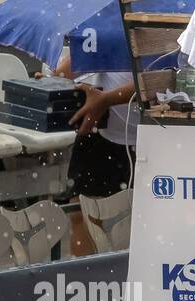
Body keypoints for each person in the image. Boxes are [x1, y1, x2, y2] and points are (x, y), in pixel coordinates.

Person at [55, 51, 138, 256]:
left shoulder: (159, 26)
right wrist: (52, 82)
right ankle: (86, 279)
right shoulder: (101, 25)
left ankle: (131, 279)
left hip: (146, 136)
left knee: (134, 222)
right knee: (79, 213)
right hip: (98, 132)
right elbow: (67, 71)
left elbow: (159, 82)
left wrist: (108, 98)